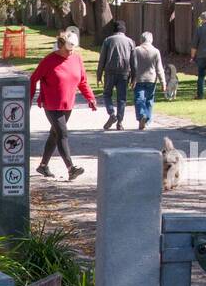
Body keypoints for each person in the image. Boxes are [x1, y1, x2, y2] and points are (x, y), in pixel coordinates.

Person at [29, 30, 96, 181]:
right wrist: (29, 99)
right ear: (60, 46)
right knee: (62, 134)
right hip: (52, 104)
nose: (70, 53)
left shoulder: (77, 59)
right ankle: (71, 168)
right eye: (67, 50)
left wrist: (90, 98)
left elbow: (82, 81)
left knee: (55, 134)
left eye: (72, 50)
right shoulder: (49, 60)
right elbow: (34, 79)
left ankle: (43, 165)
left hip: (68, 104)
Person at [96, 19, 136, 129]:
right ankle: (120, 122)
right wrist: (134, 78)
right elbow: (133, 62)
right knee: (121, 98)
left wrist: (99, 75)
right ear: (124, 30)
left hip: (109, 72)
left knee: (107, 94)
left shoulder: (108, 40)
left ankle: (111, 114)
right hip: (124, 73)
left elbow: (102, 59)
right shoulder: (130, 42)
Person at [131, 30, 167, 129]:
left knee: (139, 99)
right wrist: (163, 82)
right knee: (149, 100)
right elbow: (159, 68)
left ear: (141, 39)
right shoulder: (156, 51)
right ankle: (147, 120)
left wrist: (132, 79)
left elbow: (133, 66)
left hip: (139, 79)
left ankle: (142, 115)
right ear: (151, 40)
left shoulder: (136, 50)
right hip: (151, 79)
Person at [191, 16, 206, 98]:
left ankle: (200, 95)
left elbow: (194, 45)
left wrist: (192, 57)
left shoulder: (199, 29)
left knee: (201, 76)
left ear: (203, 20)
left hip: (201, 56)